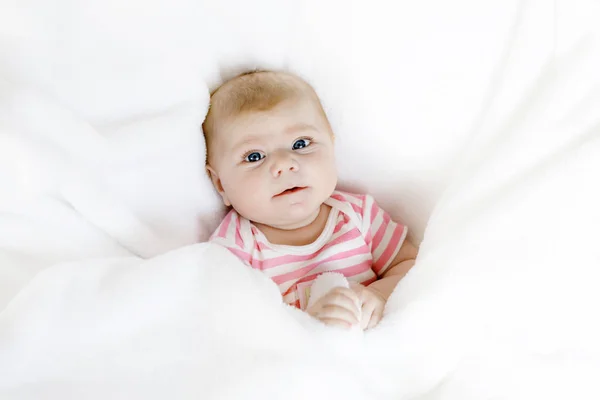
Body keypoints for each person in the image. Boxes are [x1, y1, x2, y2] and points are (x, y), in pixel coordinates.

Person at [203, 70, 417, 330]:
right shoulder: (236, 247)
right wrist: (301, 327)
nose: (284, 164)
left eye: (301, 143)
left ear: (332, 148)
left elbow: (410, 265)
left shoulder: (357, 214)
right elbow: (228, 321)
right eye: (254, 156)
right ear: (220, 184)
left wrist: (380, 295)